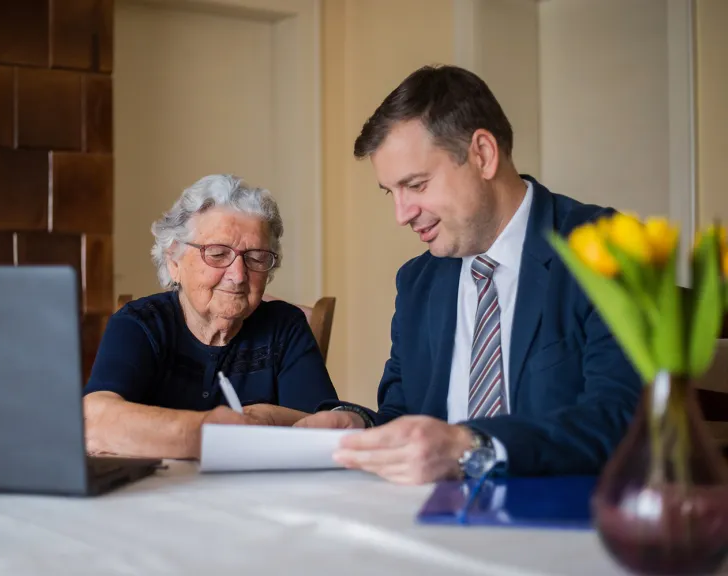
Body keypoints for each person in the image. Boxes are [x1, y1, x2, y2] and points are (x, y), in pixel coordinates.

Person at [295, 65, 641, 484]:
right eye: (392, 193)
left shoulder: (605, 248)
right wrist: (359, 425)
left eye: (416, 185)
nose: (401, 215)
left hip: (563, 519)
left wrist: (474, 447)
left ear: (482, 154)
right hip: (433, 518)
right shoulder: (417, 283)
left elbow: (622, 418)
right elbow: (407, 418)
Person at [84, 174, 338, 459]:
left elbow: (324, 428)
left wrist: (258, 417)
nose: (238, 275)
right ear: (174, 261)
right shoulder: (140, 324)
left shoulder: (284, 326)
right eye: (217, 254)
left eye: (255, 258)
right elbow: (95, 422)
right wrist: (208, 431)